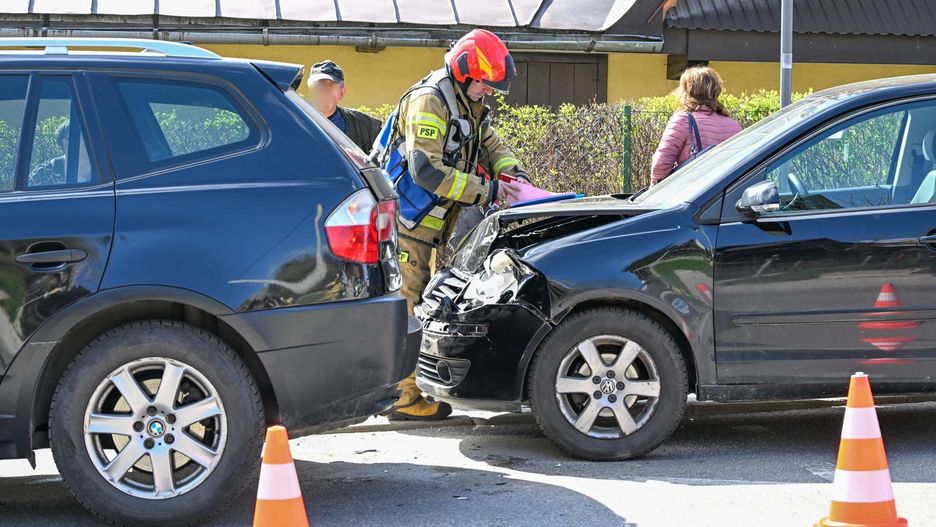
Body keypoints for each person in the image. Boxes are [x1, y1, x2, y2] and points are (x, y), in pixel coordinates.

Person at [385, 29, 528, 421]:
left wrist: (512, 174)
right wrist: (490, 189)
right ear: (466, 73)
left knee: (422, 304)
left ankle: (414, 388)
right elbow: (426, 170)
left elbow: (490, 143)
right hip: (406, 224)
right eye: (486, 84)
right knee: (407, 305)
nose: (491, 92)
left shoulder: (468, 102)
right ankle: (403, 398)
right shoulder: (430, 100)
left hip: (429, 228)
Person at [650, 66, 742, 185]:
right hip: (723, 195)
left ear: (688, 91)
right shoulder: (735, 126)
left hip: (693, 193)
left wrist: (654, 188)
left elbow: (661, 164)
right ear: (716, 91)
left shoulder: (683, 120)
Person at [307, 60, 382, 152]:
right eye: (320, 85)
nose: (324, 90)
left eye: (331, 85)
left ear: (342, 92)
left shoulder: (366, 127)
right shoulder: (296, 120)